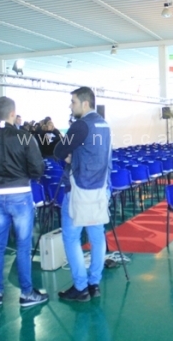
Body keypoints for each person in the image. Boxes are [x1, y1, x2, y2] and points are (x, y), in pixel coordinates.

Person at [0, 96, 47, 308]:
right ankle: (26, 293)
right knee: (23, 246)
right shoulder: (23, 137)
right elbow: (37, 167)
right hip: (21, 195)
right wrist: (27, 177)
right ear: (13, 113)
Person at [55, 86, 112, 303]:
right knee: (97, 237)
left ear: (85, 103)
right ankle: (94, 284)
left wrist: (70, 157)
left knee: (71, 237)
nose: (71, 106)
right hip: (99, 189)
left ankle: (80, 287)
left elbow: (59, 150)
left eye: (73, 102)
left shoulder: (80, 125)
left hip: (79, 190)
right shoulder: (104, 125)